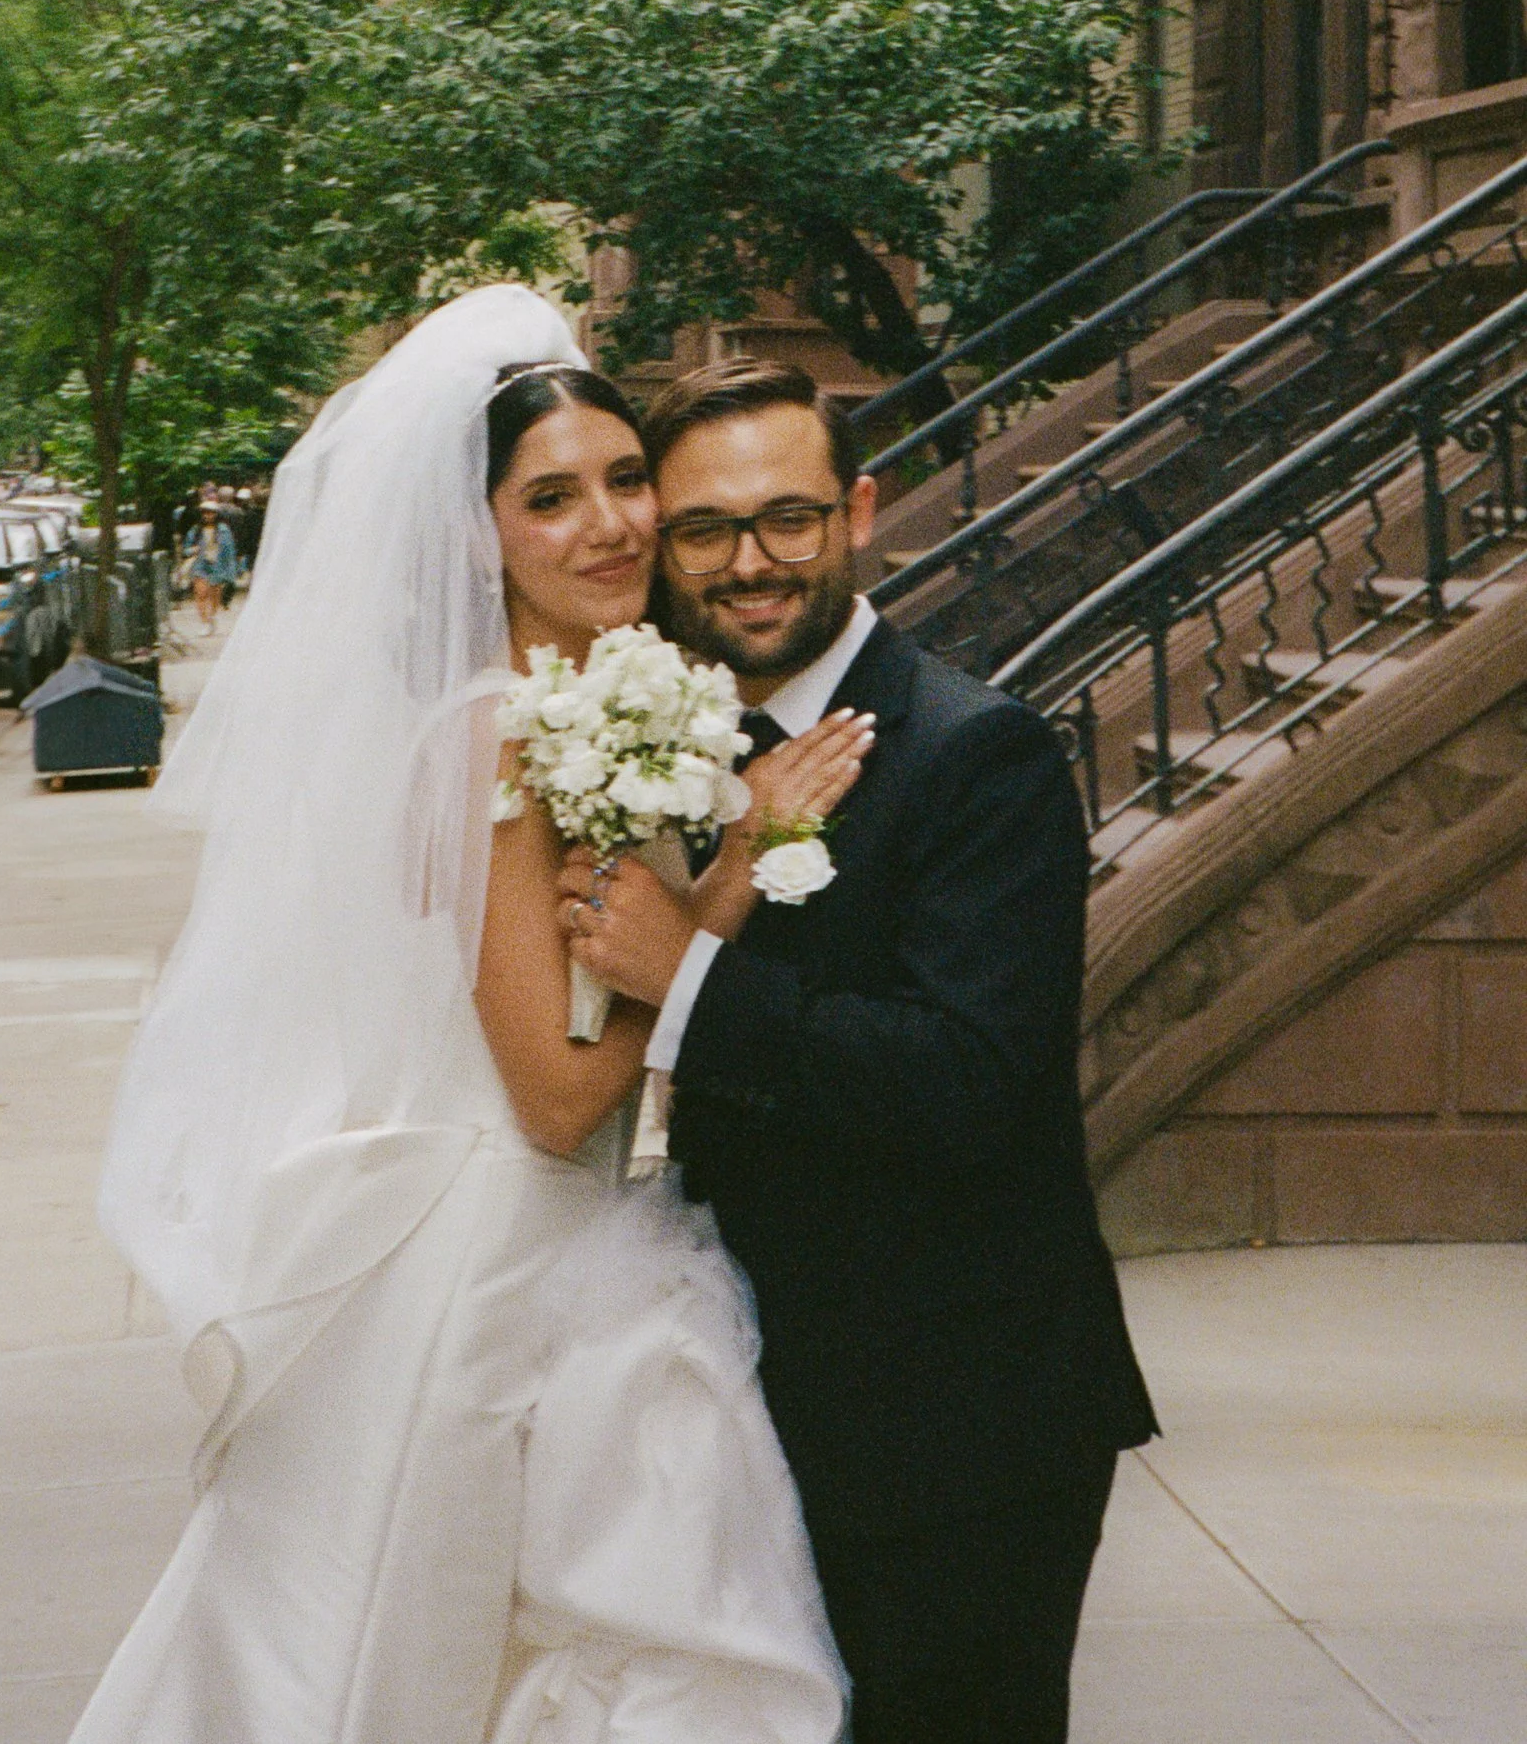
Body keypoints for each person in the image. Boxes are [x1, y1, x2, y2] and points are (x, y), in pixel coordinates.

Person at [68, 289, 858, 1744]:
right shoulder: (498, 730)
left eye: (626, 480)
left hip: (591, 1244)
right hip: (510, 1278)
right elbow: (556, 1105)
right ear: (477, 530)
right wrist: (731, 882)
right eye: (550, 497)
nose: (610, 524)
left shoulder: (600, 700)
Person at [562, 356, 1158, 1744]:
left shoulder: (975, 751)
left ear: (860, 510)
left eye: (790, 516)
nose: (750, 562)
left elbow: (961, 1078)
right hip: (737, 1387)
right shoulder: (661, 743)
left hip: (958, 1418)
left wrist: (688, 974)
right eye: (706, 529)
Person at [183, 506, 237, 633]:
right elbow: (186, 549)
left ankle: (212, 617)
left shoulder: (224, 530)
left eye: (211, 512)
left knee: (214, 594)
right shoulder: (196, 530)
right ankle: (204, 622)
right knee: (200, 593)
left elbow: (230, 550)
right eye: (205, 513)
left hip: (217, 565)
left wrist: (231, 569)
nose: (208, 515)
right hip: (200, 564)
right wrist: (192, 550)